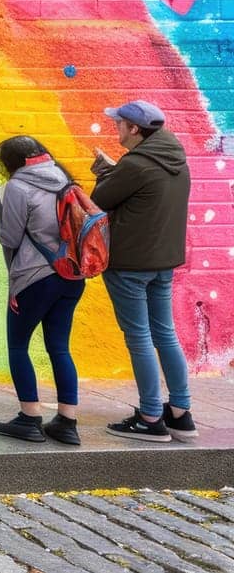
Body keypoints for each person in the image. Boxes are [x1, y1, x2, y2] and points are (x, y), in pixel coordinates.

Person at [90, 100, 195, 442]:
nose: (115, 129)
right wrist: (116, 170)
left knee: (139, 339)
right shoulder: (176, 158)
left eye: (119, 124)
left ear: (135, 130)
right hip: (163, 262)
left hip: (130, 264)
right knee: (165, 333)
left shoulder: (135, 164)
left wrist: (106, 171)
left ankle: (150, 417)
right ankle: (180, 412)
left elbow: (100, 200)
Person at [0, 136, 84, 444]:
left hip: (34, 278)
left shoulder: (17, 186)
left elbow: (11, 238)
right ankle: (67, 423)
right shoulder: (64, 177)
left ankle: (29, 417)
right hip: (71, 276)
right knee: (59, 347)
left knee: (18, 346)